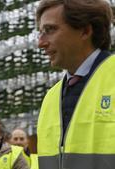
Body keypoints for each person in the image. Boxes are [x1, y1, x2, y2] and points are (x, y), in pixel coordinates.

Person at [36, 0, 115, 169]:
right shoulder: (50, 98)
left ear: (85, 31)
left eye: (50, 30)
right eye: (40, 32)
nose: (40, 42)